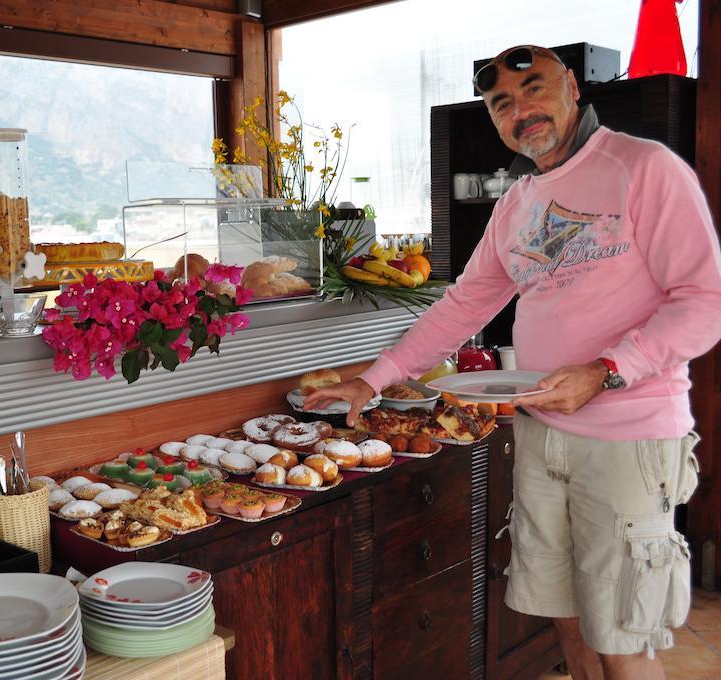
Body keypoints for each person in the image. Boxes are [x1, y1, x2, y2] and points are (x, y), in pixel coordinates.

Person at [305, 44, 721, 680]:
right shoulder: (516, 202)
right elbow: (462, 306)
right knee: (568, 618)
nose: (521, 110)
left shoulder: (644, 167)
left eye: (534, 90)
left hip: (628, 439)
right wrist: (375, 377)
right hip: (541, 434)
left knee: (624, 633)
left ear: (573, 89)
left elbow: (705, 302)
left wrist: (607, 370)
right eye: (503, 104)